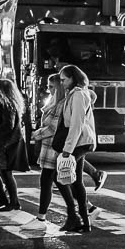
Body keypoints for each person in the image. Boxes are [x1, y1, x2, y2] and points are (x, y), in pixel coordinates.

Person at [57, 65, 102, 231]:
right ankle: (84, 220)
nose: (61, 83)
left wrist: (67, 149)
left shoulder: (78, 95)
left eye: (64, 79)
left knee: (60, 176)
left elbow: (76, 124)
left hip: (80, 142)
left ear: (73, 78)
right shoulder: (74, 94)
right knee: (76, 182)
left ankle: (75, 216)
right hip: (80, 141)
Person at [0, 77, 27, 211]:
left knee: (5, 173)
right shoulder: (7, 104)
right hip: (2, 143)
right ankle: (5, 199)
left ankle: (13, 202)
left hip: (5, 143)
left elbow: (8, 125)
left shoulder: (7, 105)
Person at [32, 73, 68, 218]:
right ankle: (88, 207)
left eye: (52, 86)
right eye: (48, 86)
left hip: (53, 147)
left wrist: (36, 134)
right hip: (48, 147)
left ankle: (41, 217)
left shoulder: (61, 103)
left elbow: (53, 128)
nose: (49, 89)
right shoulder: (54, 101)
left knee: (46, 182)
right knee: (60, 183)